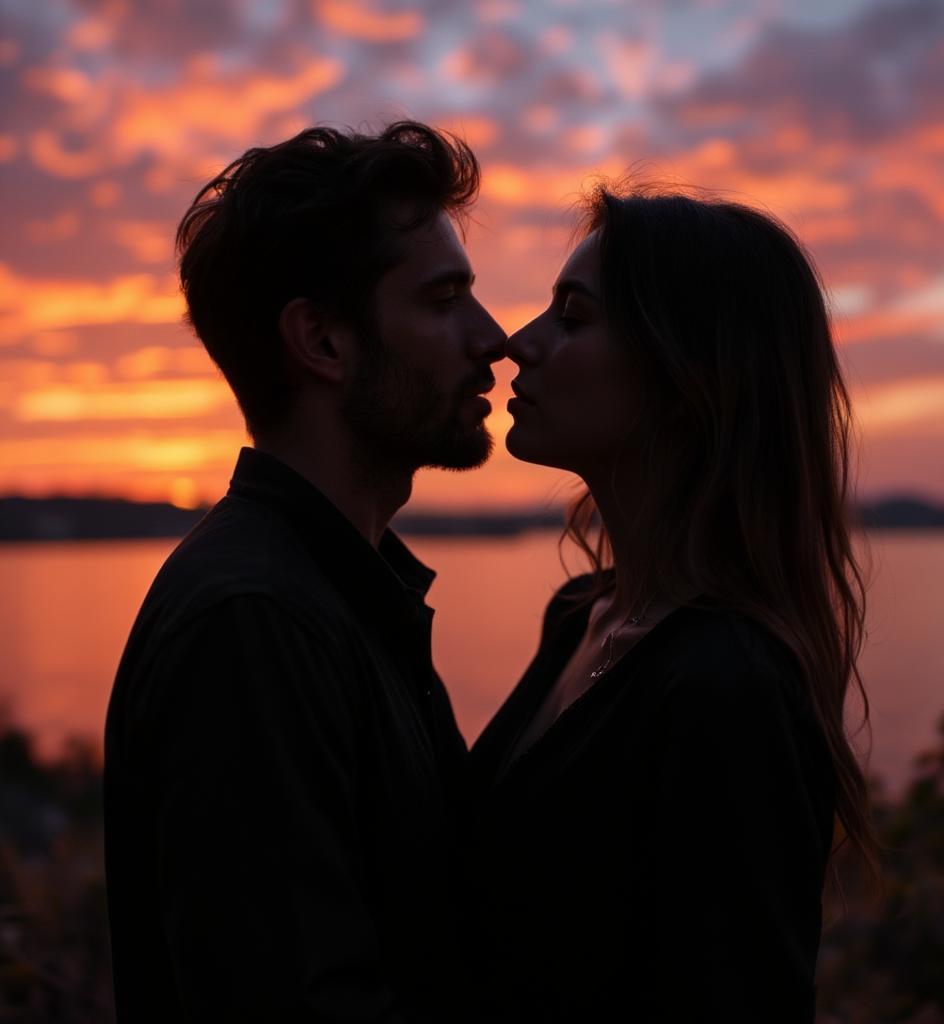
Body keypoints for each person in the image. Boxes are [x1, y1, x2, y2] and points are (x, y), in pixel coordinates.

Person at [103, 122, 505, 1023]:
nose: (493, 338)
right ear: (321, 341)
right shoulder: (254, 625)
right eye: (444, 301)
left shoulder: (344, 593)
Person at [464, 186, 877, 1021]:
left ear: (688, 372)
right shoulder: (580, 614)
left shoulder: (729, 688)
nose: (518, 343)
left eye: (573, 318)